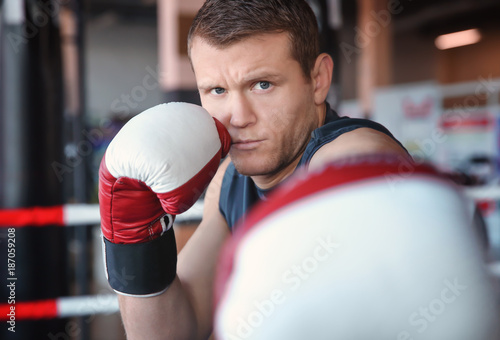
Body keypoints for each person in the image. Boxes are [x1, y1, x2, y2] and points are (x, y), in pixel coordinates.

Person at [98, 1, 410, 339]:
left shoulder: (352, 157)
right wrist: (132, 243)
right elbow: (171, 333)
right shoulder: (229, 177)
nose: (238, 117)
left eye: (262, 85)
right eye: (217, 90)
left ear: (318, 80)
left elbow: (365, 167)